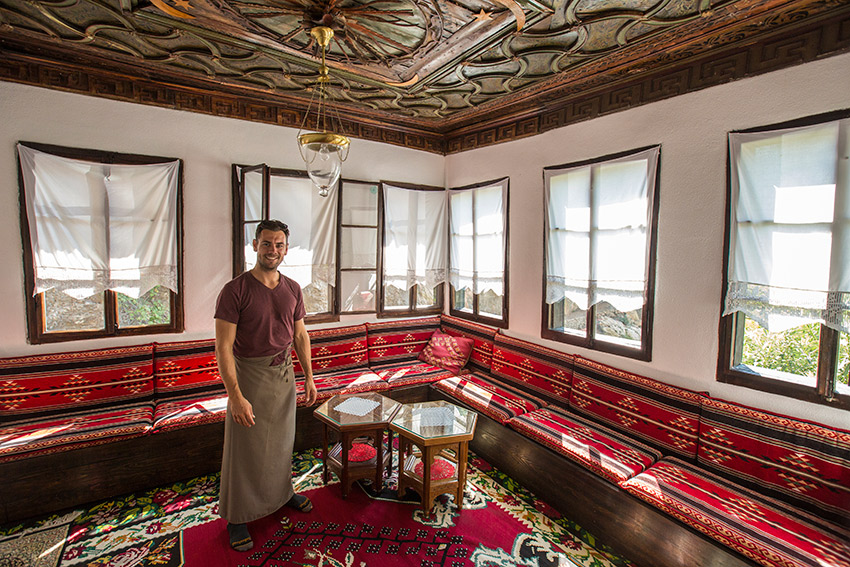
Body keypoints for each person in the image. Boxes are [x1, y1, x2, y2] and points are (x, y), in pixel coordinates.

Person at [214, 219, 319, 551]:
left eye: (279, 244)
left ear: (286, 249)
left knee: (281, 443)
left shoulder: (292, 288)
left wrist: (309, 377)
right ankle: (237, 516)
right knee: (245, 450)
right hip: (250, 378)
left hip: (284, 374)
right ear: (255, 246)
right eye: (266, 243)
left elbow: (300, 334)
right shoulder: (235, 290)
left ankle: (282, 494)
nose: (272, 250)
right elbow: (223, 347)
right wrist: (235, 396)